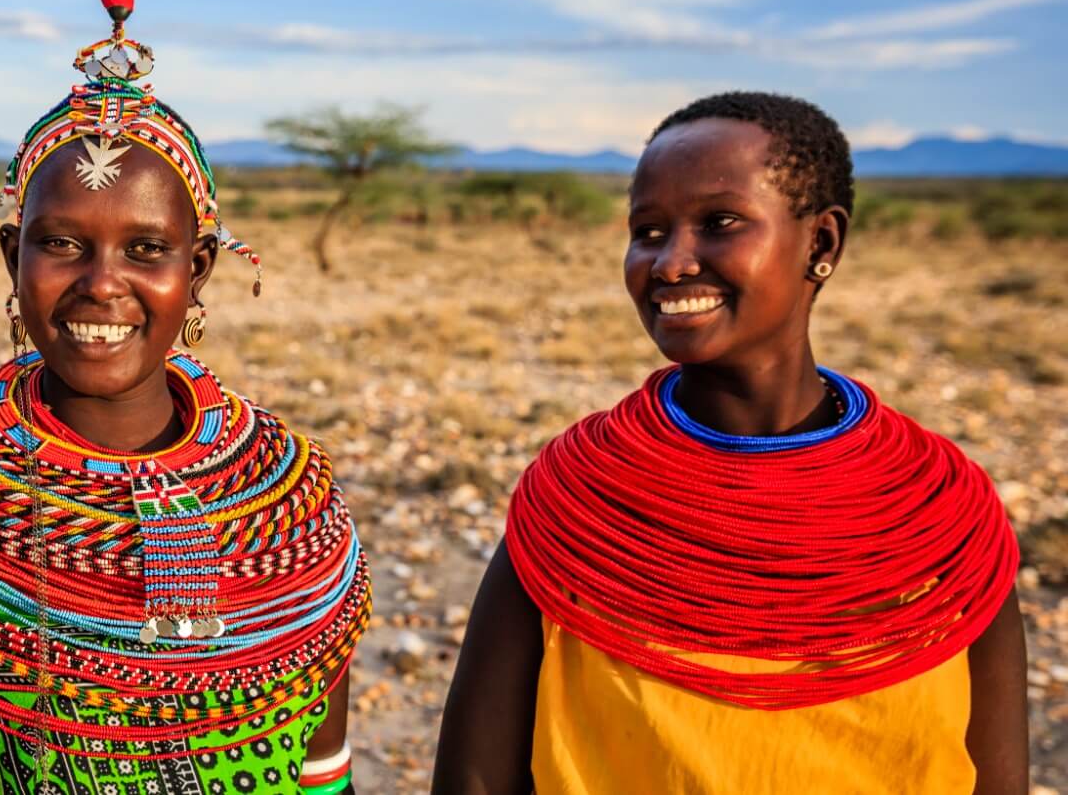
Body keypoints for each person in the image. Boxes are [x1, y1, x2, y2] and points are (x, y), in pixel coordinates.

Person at [0, 0, 371, 795]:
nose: (102, 283)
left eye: (146, 250)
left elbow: (323, 778)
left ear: (198, 270)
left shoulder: (289, 513)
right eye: (61, 243)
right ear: (10, 258)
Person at [432, 91, 1027, 795]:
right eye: (648, 231)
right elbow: (474, 780)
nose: (672, 262)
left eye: (720, 223)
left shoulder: (936, 510)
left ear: (822, 243)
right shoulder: (580, 497)